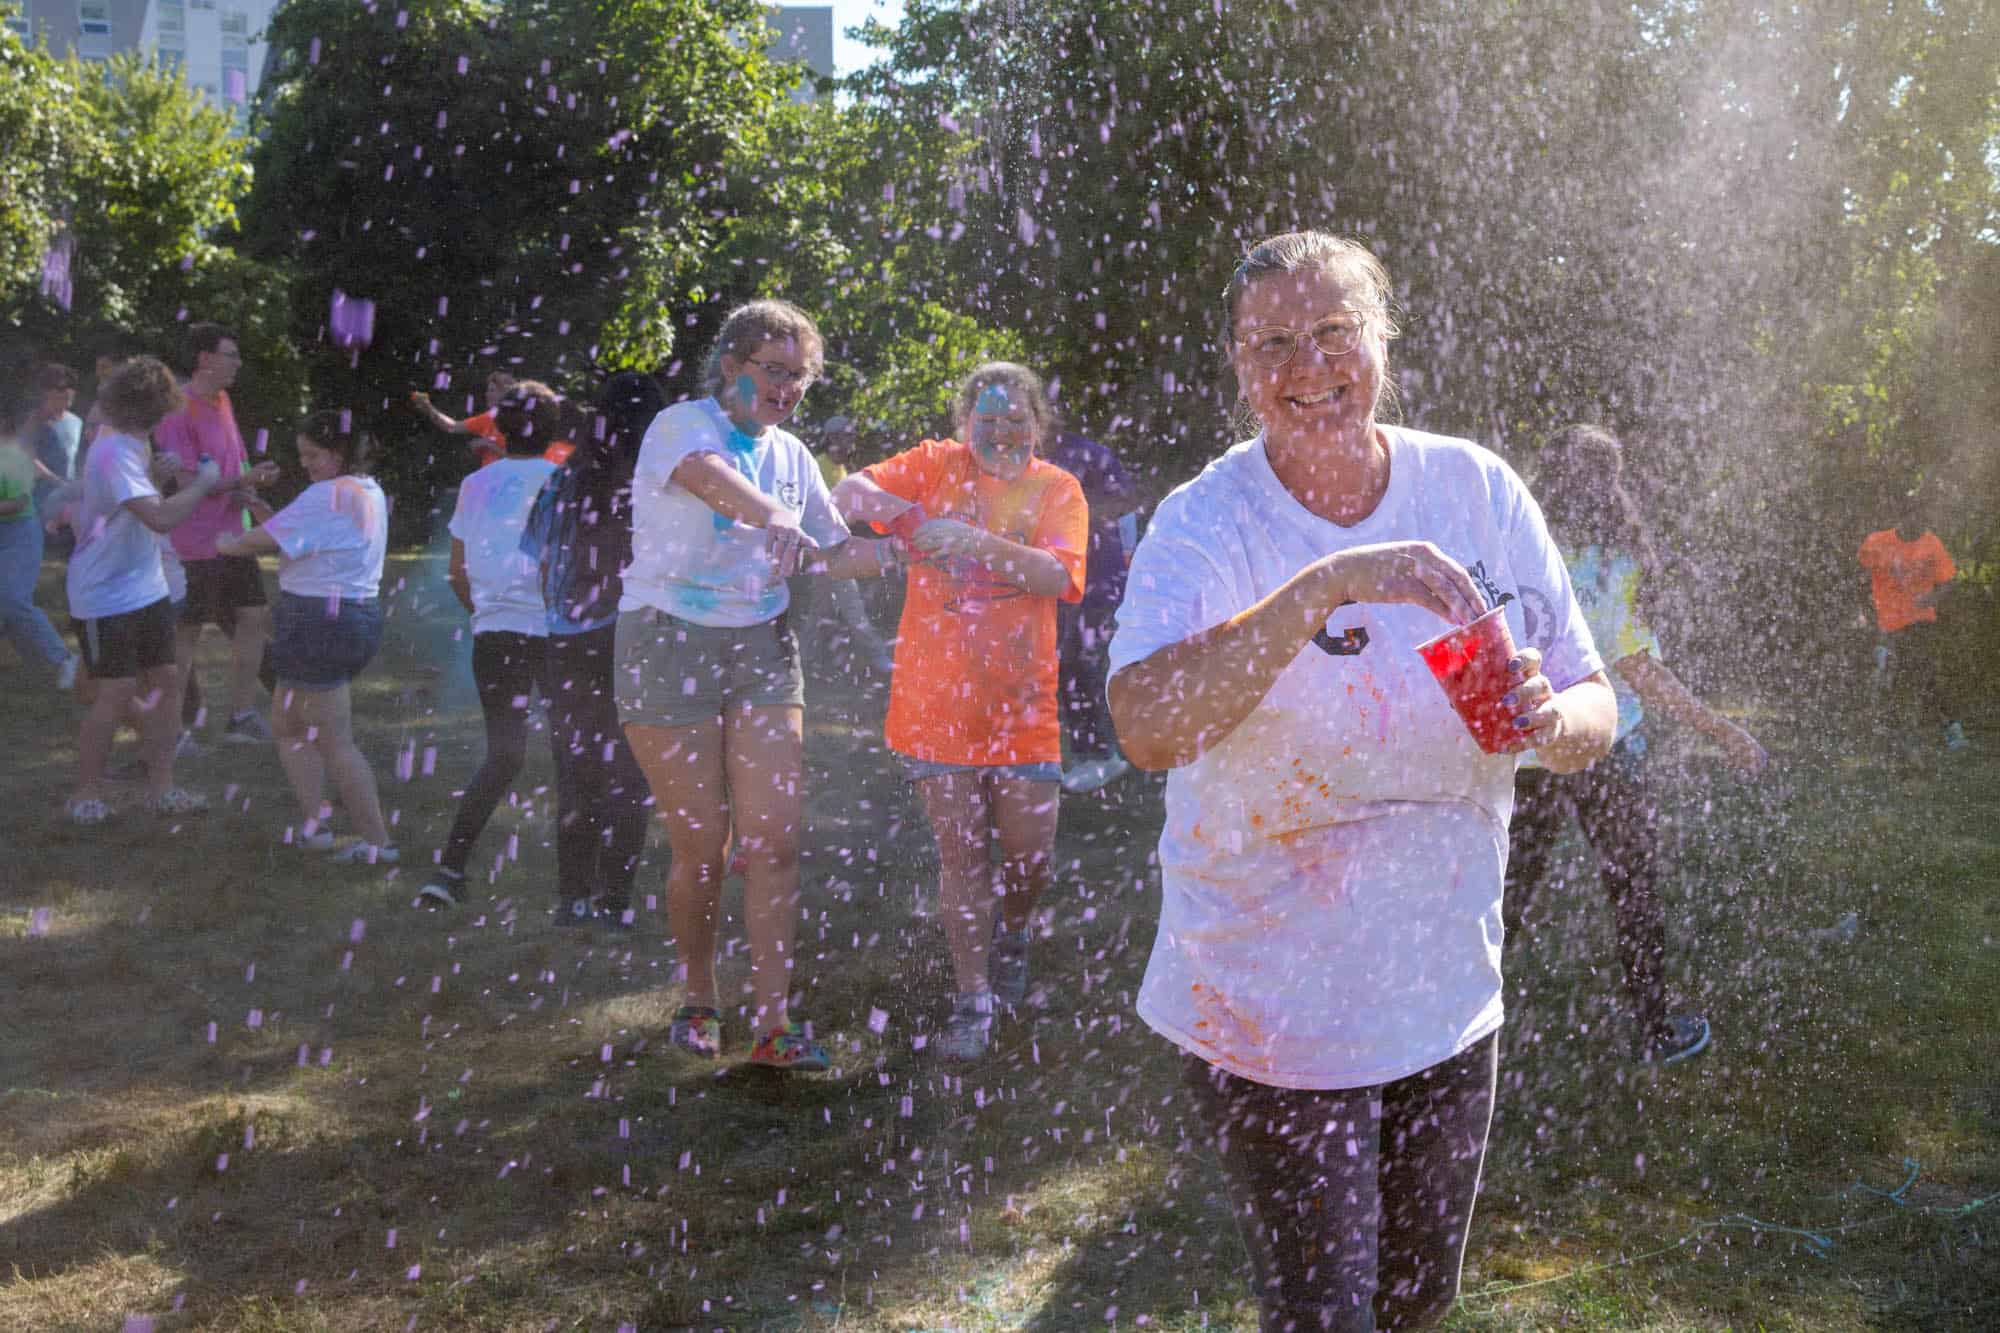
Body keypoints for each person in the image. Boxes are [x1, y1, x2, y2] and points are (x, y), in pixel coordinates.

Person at [1106, 231, 1615, 1331]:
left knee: (1414, 1303)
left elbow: (1594, 700)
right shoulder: (1209, 521)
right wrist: (1323, 587)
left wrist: (1547, 719)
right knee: (1324, 1311)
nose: (1308, 366)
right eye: (1272, 343)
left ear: (1380, 337)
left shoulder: (1474, 488)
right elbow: (1145, 725)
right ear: (1237, 366)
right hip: (1270, 1001)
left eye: (1335, 332)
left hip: (1443, 989)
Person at [617, 298, 894, 1072]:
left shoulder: (796, 455)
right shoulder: (683, 426)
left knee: (773, 842)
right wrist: (774, 515)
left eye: (800, 378)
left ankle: (775, 1023)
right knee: (703, 845)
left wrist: (913, 550)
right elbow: (715, 484)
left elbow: (832, 551)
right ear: (733, 368)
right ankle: (699, 997)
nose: (788, 390)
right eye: (775, 372)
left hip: (763, 645)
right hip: (665, 639)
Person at [832, 363, 1088, 1060]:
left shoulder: (1056, 488)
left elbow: (1056, 575)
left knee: (1029, 860)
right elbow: (849, 491)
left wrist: (974, 542)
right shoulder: (935, 464)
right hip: (935, 706)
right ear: (963, 424)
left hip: (1023, 709)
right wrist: (912, 521)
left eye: (1015, 421)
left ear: (1037, 425)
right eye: (987, 420)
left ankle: (1013, 932)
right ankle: (973, 999)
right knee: (963, 853)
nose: (1001, 432)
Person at [1505, 423, 1769, 1067]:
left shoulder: (1514, 546)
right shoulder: (1614, 562)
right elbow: (1638, 668)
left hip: (1527, 751)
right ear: (1609, 483)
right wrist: (1721, 728)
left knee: (1504, 894)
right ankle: (1654, 1028)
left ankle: (1444, 1035)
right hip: (1602, 746)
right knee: (1634, 890)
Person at [484, 372, 663, 922]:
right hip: (632, 636)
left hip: (565, 639)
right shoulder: (652, 486)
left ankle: (572, 898)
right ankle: (613, 901)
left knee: (576, 768)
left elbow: (539, 559)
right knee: (630, 771)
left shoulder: (563, 480)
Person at [215, 410, 394, 863]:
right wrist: (263, 515)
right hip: (340, 619)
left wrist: (223, 545)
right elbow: (307, 539)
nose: (307, 464)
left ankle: (378, 845)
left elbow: (264, 542)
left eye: (314, 455)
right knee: (288, 725)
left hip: (321, 623)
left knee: (333, 739)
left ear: (338, 452)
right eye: (303, 455)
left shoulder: (328, 492)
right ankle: (317, 827)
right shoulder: (365, 489)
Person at [418, 385, 563, 908]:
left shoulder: (476, 484)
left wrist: (487, 611)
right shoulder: (560, 481)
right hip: (554, 632)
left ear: (498, 429)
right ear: (555, 431)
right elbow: (559, 564)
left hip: (495, 633)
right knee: (580, 753)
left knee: (504, 755)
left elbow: (458, 572)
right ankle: (583, 889)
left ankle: (449, 870)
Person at [63, 357, 226, 824]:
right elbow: (160, 517)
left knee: (168, 684)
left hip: (145, 586)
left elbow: (134, 506)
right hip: (103, 594)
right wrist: (204, 483)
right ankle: (85, 795)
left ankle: (163, 790)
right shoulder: (113, 452)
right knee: (114, 692)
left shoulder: (133, 443)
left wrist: (157, 474)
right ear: (152, 409)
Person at [154, 322, 282, 748]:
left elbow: (233, 462)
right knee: (186, 633)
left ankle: (241, 716)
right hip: (194, 541)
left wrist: (249, 485)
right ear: (204, 359)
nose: (238, 362)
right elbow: (185, 480)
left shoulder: (224, 400)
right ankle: (171, 730)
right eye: (231, 354)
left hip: (233, 537)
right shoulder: (178, 408)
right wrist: (243, 479)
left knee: (251, 617)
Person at [1040, 421, 1141, 794]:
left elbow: (1125, 500)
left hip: (1098, 575)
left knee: (1079, 659)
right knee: (1063, 663)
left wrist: (1074, 509)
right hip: (1055, 576)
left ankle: (1102, 755)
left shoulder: (1088, 454)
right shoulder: (1026, 456)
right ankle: (1089, 751)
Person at [1857, 506, 1963, 751]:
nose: (1917, 524)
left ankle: (1948, 728)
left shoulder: (1932, 545)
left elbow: (1948, 582)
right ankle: (1895, 728)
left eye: (1922, 520)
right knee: (1900, 674)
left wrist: (1931, 600)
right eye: (1912, 518)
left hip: (1919, 620)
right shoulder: (1878, 542)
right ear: (1900, 518)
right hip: (1887, 622)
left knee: (1920, 670)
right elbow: (1859, 575)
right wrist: (1863, 611)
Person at [798, 413, 894, 679]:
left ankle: (801, 660)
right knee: (853, 608)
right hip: (827, 554)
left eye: (852, 436)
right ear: (832, 438)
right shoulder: (818, 467)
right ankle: (879, 658)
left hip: (835, 551)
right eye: (846, 436)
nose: (851, 442)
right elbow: (810, 513)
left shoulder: (841, 470)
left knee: (819, 611)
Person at [1, 386, 82, 688]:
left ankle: (64, 660)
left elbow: (20, 501)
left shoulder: (13, 452)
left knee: (12, 600)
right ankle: (33, 662)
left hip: (18, 533)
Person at [410, 369, 517, 467]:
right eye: (488, 390)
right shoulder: (487, 418)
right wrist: (429, 408)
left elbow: (524, 460)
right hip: (491, 483)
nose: (487, 394)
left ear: (506, 393)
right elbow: (452, 426)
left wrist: (488, 444)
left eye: (492, 390)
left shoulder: (520, 421)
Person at [26, 362, 83, 526]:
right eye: (62, 387)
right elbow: (27, 457)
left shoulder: (76, 421)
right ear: (47, 391)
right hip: (39, 498)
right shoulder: (35, 420)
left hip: (68, 497)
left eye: (71, 387)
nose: (68, 392)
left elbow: (77, 458)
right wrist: (56, 480)